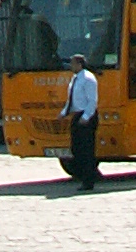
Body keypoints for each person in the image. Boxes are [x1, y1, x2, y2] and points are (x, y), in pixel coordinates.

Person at [60, 51, 99, 190]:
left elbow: (92, 101)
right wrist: (64, 112)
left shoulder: (88, 78)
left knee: (86, 150)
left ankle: (89, 181)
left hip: (86, 116)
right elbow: (72, 99)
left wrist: (86, 117)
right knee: (76, 149)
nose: (71, 66)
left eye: (73, 63)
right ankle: (85, 176)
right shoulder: (75, 78)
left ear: (80, 64)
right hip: (77, 115)